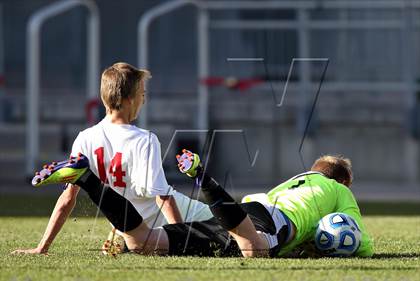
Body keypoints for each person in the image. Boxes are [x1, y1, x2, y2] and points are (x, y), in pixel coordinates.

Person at [15, 150, 373, 258]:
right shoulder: (338, 190)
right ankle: (203, 179)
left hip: (251, 208)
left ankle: (86, 178)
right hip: (266, 220)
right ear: (342, 180)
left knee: (142, 243)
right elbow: (361, 241)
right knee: (255, 249)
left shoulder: (297, 181)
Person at [12, 62, 211, 255]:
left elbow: (67, 199)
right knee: (236, 232)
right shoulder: (146, 140)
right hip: (185, 220)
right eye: (142, 94)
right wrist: (181, 239)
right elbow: (163, 198)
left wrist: (42, 247)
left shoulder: (85, 138)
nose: (144, 100)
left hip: (135, 227)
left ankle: (121, 237)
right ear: (130, 99)